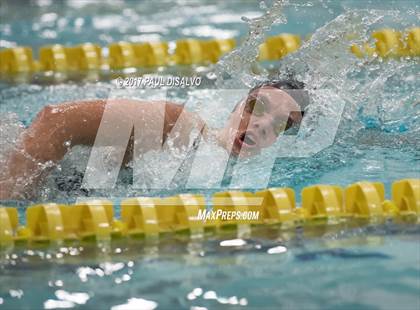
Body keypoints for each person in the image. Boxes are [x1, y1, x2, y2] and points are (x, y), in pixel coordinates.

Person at [0, 79, 306, 200]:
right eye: (258, 106)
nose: (264, 124)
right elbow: (56, 119)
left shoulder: (231, 178)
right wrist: (12, 203)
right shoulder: (180, 126)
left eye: (282, 124)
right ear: (239, 103)